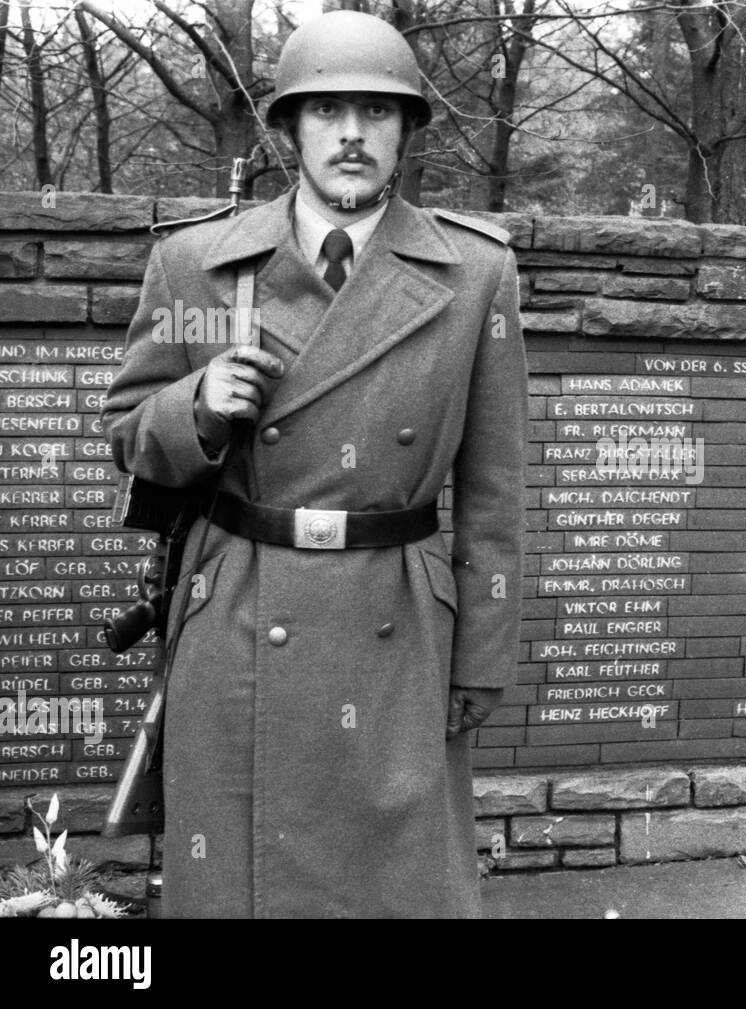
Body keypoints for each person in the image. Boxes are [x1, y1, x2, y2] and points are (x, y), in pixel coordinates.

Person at [102, 9, 527, 917]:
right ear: (291, 128)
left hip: (398, 623)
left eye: (377, 112)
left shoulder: (474, 275)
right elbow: (129, 435)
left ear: (406, 132)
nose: (351, 134)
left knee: (395, 881)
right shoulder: (198, 265)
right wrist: (198, 405)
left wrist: (482, 656)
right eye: (327, 110)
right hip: (239, 609)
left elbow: (494, 490)